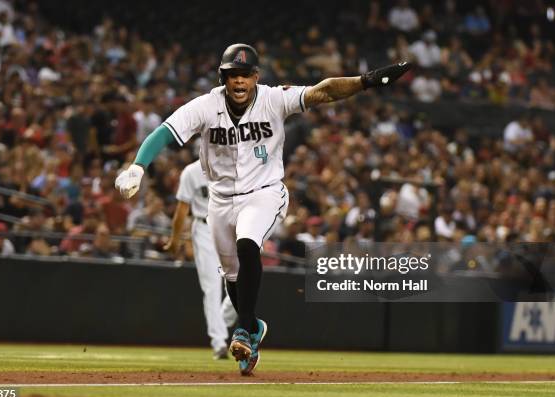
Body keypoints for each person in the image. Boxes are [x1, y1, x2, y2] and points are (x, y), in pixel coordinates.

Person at [116, 43, 411, 375]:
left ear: (255, 77)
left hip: (264, 192)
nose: (239, 82)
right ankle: (253, 328)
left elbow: (323, 92)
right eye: (232, 76)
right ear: (223, 78)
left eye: (245, 75)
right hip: (220, 199)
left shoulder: (274, 98)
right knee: (230, 275)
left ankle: (243, 331)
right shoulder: (204, 106)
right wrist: (138, 167)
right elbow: (163, 133)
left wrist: (367, 80)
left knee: (247, 243)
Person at [164, 159, 237, 360]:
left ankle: (219, 321)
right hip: (204, 229)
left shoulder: (235, 166)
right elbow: (181, 210)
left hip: (231, 228)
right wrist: (175, 240)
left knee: (241, 283)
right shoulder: (191, 172)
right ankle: (219, 343)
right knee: (212, 287)